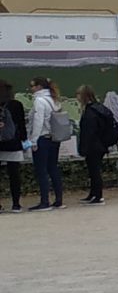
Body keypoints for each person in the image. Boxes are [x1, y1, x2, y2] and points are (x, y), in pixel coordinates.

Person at [74, 86, 118, 204]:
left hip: (94, 146)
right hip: (100, 144)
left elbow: (89, 132)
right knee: (93, 170)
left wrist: (84, 147)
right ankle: (93, 194)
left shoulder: (90, 112)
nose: (77, 97)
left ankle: (98, 196)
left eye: (79, 95)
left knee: (94, 171)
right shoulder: (98, 108)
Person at [27, 77, 64, 211]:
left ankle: (45, 201)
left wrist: (33, 140)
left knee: (41, 171)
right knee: (53, 168)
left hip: (42, 138)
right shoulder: (54, 99)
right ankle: (59, 200)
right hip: (54, 138)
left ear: (39, 87)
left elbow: (38, 121)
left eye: (32, 86)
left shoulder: (39, 101)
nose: (31, 88)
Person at [0, 81, 26, 212]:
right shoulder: (16, 105)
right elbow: (21, 125)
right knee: (14, 175)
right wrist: (24, 140)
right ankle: (16, 204)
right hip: (13, 144)